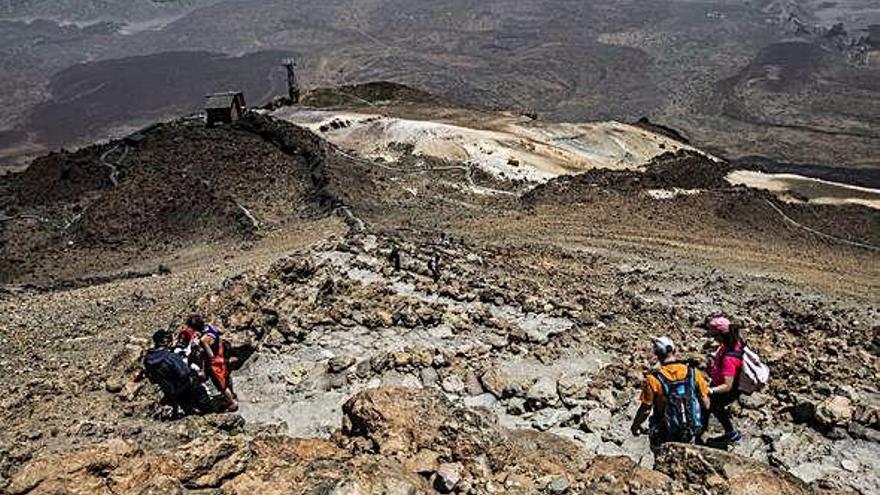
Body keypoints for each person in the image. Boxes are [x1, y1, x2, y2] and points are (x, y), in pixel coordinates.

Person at [631, 336, 710, 451]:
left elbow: (646, 409)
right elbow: (706, 404)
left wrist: (635, 426)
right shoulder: (693, 373)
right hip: (691, 428)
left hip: (665, 429)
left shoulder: (653, 379)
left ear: (657, 355)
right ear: (674, 350)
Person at [142, 329, 212, 417]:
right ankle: (208, 411)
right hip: (184, 387)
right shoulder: (170, 357)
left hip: (169, 390)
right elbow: (185, 372)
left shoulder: (147, 359)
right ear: (166, 342)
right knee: (195, 382)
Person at [704, 316, 744, 444]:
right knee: (712, 408)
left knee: (714, 406)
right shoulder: (734, 343)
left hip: (726, 390)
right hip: (720, 383)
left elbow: (727, 385)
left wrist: (710, 390)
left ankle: (730, 433)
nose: (713, 338)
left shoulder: (729, 358)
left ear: (721, 335)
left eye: (714, 335)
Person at [188, 314, 239, 412]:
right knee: (227, 378)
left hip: (216, 364)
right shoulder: (210, 327)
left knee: (221, 385)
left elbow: (210, 355)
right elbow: (219, 338)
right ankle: (232, 394)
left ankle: (231, 403)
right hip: (222, 354)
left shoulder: (204, 340)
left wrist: (200, 350)